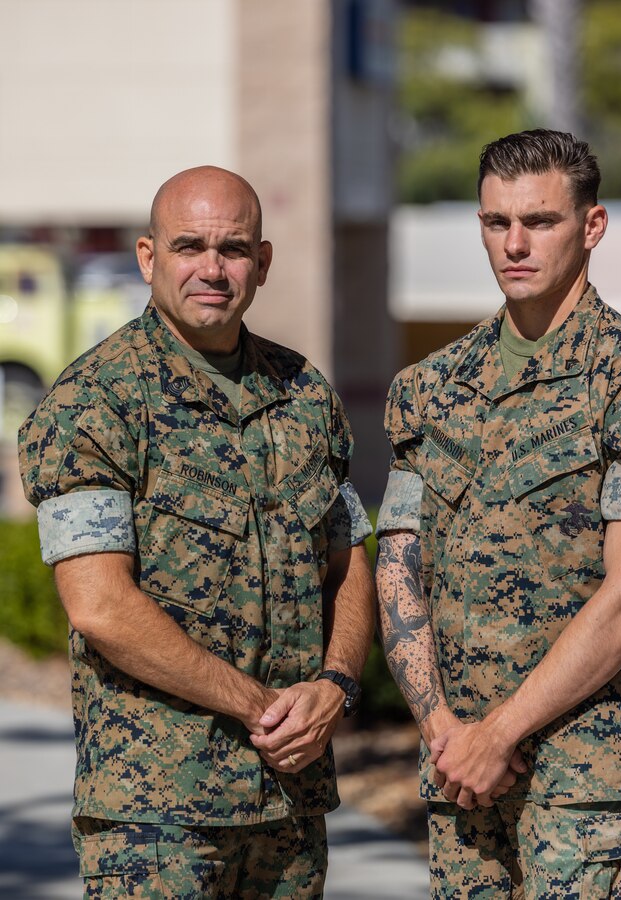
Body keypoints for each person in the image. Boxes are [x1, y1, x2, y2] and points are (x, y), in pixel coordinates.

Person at [18, 166, 375, 898]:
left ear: (262, 263)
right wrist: (262, 706)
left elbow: (347, 560)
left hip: (289, 807)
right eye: (190, 246)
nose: (213, 269)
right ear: (149, 258)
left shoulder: (304, 395)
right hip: (156, 817)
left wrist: (336, 685)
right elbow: (99, 606)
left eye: (234, 249)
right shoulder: (95, 403)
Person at [375, 129, 621, 898]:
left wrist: (499, 733)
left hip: (584, 790)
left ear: (591, 227)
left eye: (540, 222)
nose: (514, 243)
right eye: (497, 223)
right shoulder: (428, 391)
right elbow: (397, 567)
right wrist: (443, 732)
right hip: (459, 782)